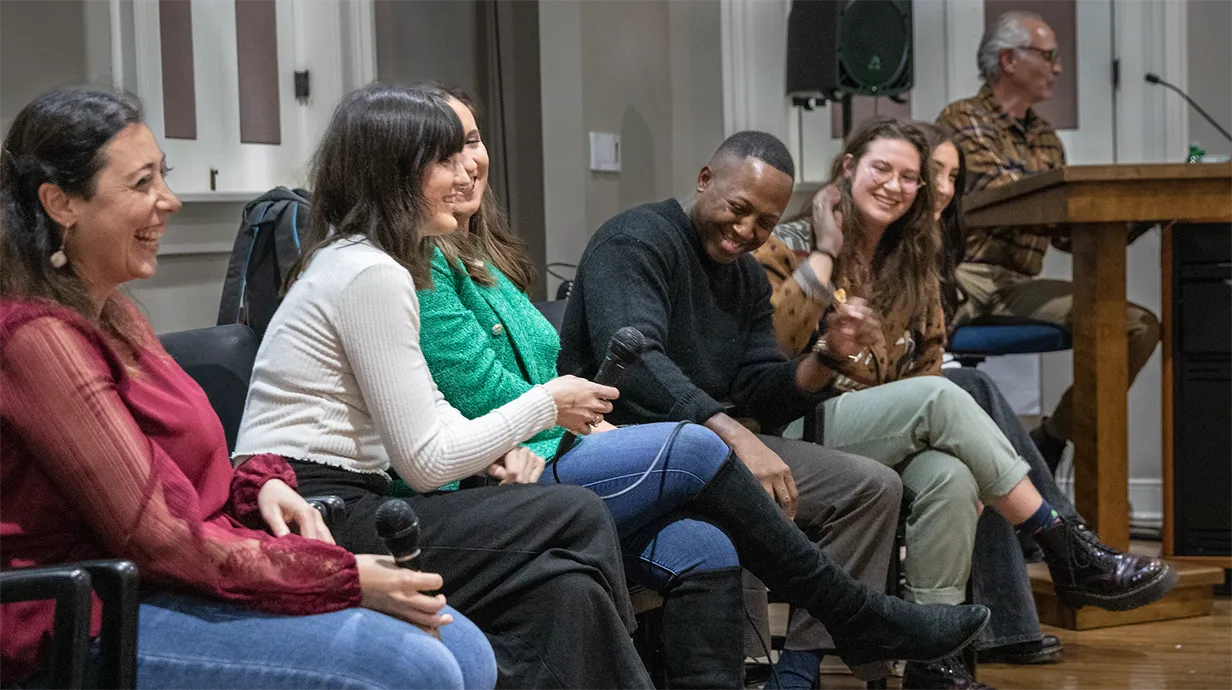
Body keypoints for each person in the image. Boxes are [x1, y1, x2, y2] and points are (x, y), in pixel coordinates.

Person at [413, 85, 992, 689]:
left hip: (611, 441)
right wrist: (731, 433)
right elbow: (636, 360)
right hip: (619, 440)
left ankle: (800, 676)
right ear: (705, 178)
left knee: (838, 496)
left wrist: (825, 357)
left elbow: (760, 385)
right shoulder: (635, 241)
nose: (746, 230)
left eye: (766, 223)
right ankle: (862, 615)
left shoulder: (741, 277)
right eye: (738, 208)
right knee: (703, 451)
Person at [0, 87, 496, 690]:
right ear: (61, 203)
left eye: (165, 176)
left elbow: (177, 468)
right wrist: (340, 575)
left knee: (467, 650)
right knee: (417, 667)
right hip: (89, 618)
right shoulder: (35, 339)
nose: (169, 201)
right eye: (141, 184)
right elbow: (156, 538)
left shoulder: (115, 313)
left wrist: (256, 486)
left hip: (180, 578)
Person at [232, 84, 652, 690]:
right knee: (576, 513)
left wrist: (499, 445)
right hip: (324, 514)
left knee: (568, 589)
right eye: (445, 160)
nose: (467, 174)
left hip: (354, 501)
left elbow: (432, 410)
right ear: (392, 174)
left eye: (467, 153)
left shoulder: (367, 260)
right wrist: (545, 407)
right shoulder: (369, 272)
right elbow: (426, 463)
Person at [749, 117, 1175, 690]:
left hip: (881, 433)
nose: (895, 186)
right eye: (881, 169)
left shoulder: (912, 260)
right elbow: (772, 345)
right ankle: (1062, 542)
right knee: (940, 398)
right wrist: (826, 252)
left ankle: (934, 658)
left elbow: (925, 360)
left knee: (951, 475)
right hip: (793, 425)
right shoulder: (788, 244)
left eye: (910, 177)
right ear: (848, 168)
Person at [936, 10, 1161, 473]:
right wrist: (1060, 198)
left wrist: (1140, 217)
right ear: (1010, 60)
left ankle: (1052, 436)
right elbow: (1004, 192)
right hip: (962, 273)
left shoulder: (1046, 137)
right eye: (1049, 56)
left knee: (1137, 324)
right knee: (914, 335)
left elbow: (1063, 232)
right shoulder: (963, 118)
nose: (1058, 67)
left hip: (1018, 282)